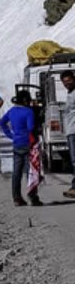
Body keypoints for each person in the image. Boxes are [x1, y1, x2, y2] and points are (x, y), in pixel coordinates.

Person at [0, 91, 42, 206]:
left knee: (16, 172)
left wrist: (11, 135)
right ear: (25, 100)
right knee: (31, 172)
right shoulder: (28, 112)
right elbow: (30, 127)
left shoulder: (12, 111)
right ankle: (32, 197)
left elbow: (2, 123)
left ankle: (17, 198)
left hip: (17, 144)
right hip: (29, 144)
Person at [62, 70, 75, 199]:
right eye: (65, 82)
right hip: (71, 130)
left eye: (69, 80)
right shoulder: (70, 93)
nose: (67, 83)